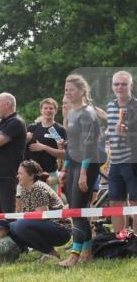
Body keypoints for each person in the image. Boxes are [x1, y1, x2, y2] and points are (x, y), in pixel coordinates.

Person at [59, 74, 102, 267]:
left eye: (72, 89)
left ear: (82, 91)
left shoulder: (87, 113)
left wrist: (83, 172)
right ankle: (87, 252)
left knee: (76, 209)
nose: (68, 92)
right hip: (74, 164)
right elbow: (71, 145)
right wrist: (65, 169)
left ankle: (75, 254)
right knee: (77, 210)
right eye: (66, 89)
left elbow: (89, 145)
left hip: (87, 163)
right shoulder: (72, 114)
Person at [9, 160, 72, 261]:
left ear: (31, 176)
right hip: (48, 226)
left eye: (20, 173)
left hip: (61, 229)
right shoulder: (25, 189)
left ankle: (51, 253)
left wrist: (22, 217)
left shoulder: (38, 187)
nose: (17, 176)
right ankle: (21, 252)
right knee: (11, 227)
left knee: (19, 225)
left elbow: (41, 216)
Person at [0, 93, 26, 214]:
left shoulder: (16, 122)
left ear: (8, 104)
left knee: (8, 214)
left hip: (6, 175)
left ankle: (11, 233)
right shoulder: (0, 123)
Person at [105, 71, 137, 233]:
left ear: (131, 86)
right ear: (112, 86)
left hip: (133, 162)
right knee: (115, 203)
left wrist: (128, 133)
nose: (120, 87)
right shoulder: (110, 106)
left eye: (124, 84)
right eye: (116, 84)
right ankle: (120, 239)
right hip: (115, 163)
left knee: (135, 203)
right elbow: (111, 136)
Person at [26, 98, 66, 189]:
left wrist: (44, 147)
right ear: (41, 110)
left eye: (51, 108)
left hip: (50, 174)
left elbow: (64, 154)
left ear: (55, 111)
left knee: (51, 203)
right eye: (46, 108)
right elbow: (20, 149)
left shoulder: (59, 130)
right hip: (32, 174)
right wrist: (26, 139)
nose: (48, 110)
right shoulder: (32, 128)